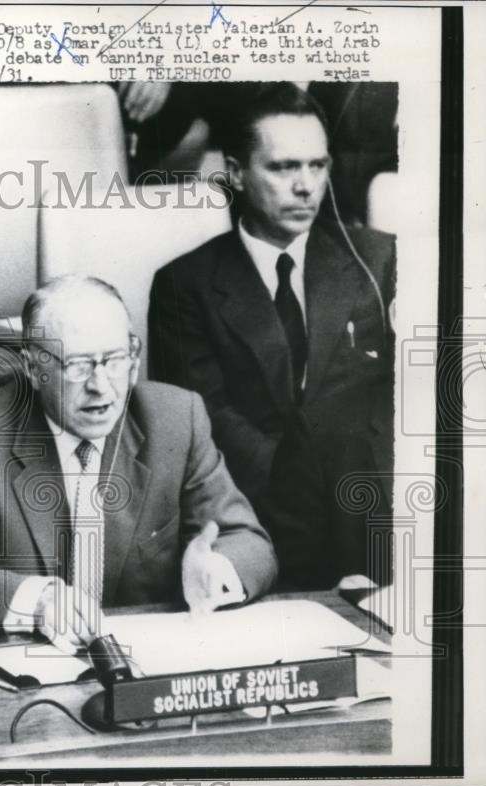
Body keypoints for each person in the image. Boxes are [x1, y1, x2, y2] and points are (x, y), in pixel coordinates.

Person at [0, 275, 277, 653]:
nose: (102, 386)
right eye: (77, 365)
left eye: (116, 360)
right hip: (31, 666)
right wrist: (38, 602)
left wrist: (217, 570)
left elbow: (249, 542)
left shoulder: (175, 419)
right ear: (31, 367)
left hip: (150, 660)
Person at [148, 83, 396, 589]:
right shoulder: (184, 284)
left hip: (368, 516)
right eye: (283, 168)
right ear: (236, 173)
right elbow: (204, 421)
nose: (306, 185)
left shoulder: (378, 260)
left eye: (317, 165)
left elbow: (392, 404)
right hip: (254, 519)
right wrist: (303, 491)